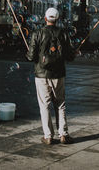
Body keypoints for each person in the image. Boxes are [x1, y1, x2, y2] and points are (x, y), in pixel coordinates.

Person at [26, 7, 75, 145]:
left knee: (44, 105)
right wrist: (74, 52)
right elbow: (69, 57)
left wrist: (30, 53)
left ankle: (48, 136)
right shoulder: (63, 34)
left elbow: (30, 57)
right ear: (57, 19)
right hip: (58, 74)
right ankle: (63, 134)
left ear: (45, 18)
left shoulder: (37, 33)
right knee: (60, 104)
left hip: (41, 74)